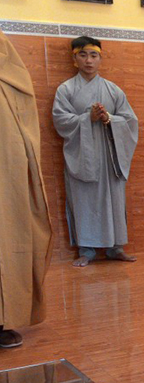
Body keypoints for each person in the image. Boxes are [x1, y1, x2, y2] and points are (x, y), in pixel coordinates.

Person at [52, 36, 138, 267]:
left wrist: (108, 118)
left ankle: (115, 247)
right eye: (83, 55)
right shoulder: (66, 89)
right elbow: (60, 120)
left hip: (110, 157)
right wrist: (86, 118)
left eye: (93, 55)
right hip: (82, 156)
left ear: (100, 59)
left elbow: (130, 121)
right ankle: (86, 250)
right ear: (74, 59)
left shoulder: (113, 90)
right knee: (84, 200)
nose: (88, 60)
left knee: (114, 200)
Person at [0, 29, 53, 348]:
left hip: (5, 176)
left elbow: (24, 123)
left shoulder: (8, 63)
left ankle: (3, 319)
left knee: (7, 239)